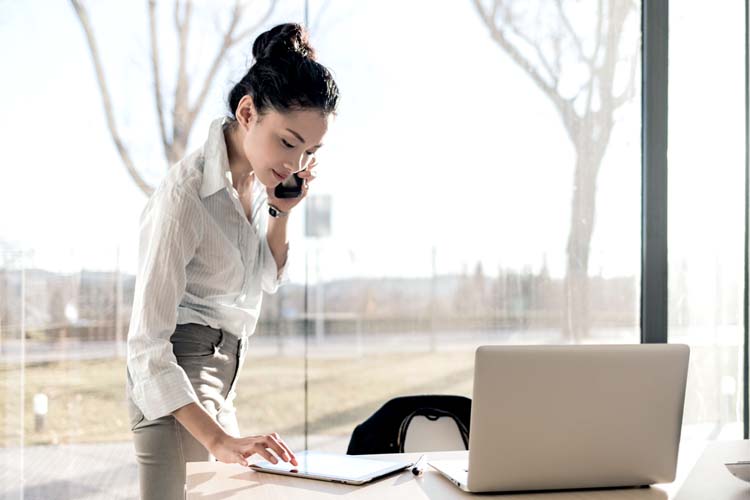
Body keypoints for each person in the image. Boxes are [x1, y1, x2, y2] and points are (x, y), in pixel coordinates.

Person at [125, 22, 339, 500]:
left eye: (309, 151)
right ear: (247, 112)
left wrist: (280, 212)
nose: (296, 163)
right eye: (288, 142)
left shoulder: (256, 184)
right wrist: (218, 438)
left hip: (224, 381)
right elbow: (145, 347)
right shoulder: (186, 196)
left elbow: (265, 279)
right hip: (175, 387)